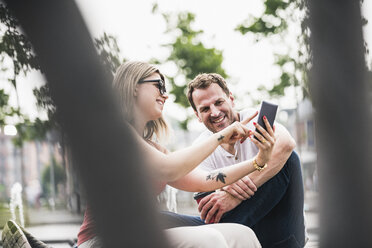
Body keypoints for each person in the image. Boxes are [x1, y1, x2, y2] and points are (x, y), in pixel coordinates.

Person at [77, 61, 276, 248]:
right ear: (134, 86)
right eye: (159, 86)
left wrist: (259, 161)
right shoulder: (116, 132)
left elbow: (204, 180)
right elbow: (168, 168)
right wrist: (223, 135)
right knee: (209, 239)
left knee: (242, 235)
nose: (165, 95)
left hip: (137, 236)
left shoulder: (153, 149)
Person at [183, 73, 306, 248]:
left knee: (288, 159)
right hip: (236, 233)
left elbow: (287, 144)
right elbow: (209, 206)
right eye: (205, 109)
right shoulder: (201, 146)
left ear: (231, 99)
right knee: (164, 220)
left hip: (282, 234)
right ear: (197, 115)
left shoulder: (254, 119)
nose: (215, 112)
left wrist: (234, 195)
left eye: (219, 102)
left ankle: (208, 236)